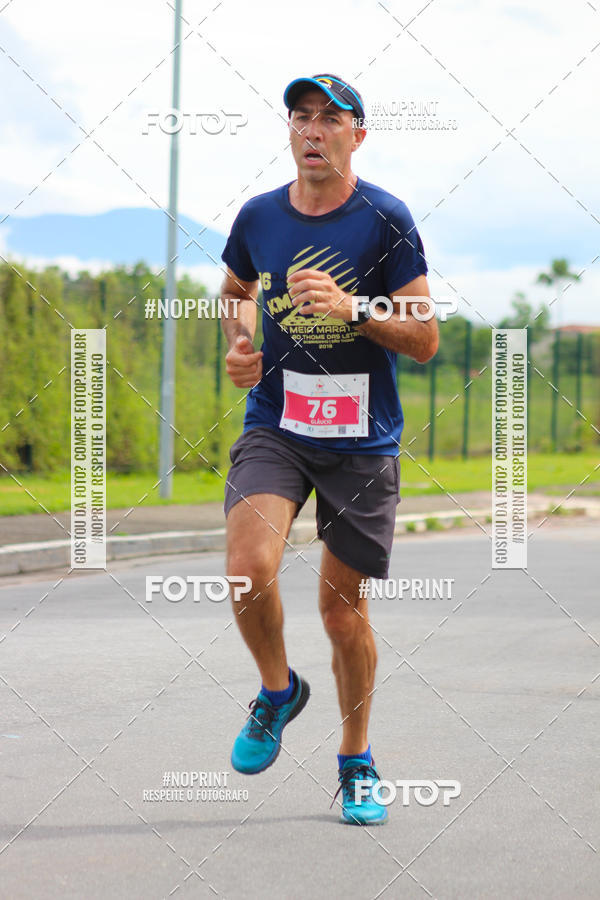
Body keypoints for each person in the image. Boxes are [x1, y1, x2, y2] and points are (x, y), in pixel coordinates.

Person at [219, 73, 438, 825]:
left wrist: (355, 308)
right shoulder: (258, 216)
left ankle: (356, 760)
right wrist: (240, 344)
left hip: (361, 442)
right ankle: (279, 691)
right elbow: (231, 292)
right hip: (276, 425)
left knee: (342, 616)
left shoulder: (386, 218)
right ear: (290, 132)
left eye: (331, 119)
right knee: (248, 571)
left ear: (357, 135)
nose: (313, 129)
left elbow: (425, 339)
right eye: (301, 117)